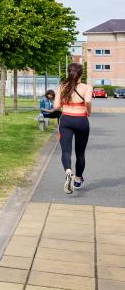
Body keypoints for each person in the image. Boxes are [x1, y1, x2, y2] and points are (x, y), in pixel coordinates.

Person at [53, 63, 92, 193]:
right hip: (81, 120)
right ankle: (77, 179)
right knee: (80, 153)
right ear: (81, 74)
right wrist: (88, 112)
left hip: (66, 121)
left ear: (69, 72)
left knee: (66, 151)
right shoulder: (87, 87)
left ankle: (68, 172)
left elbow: (56, 106)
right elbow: (87, 101)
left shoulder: (62, 86)